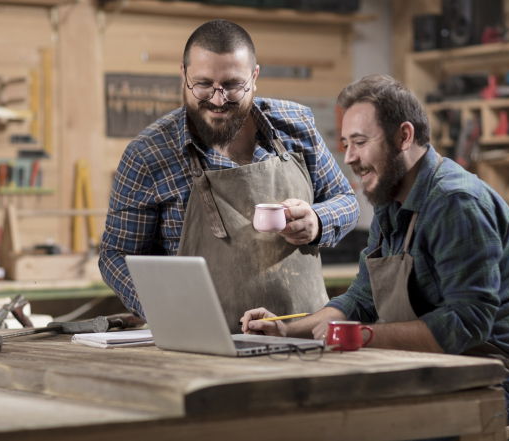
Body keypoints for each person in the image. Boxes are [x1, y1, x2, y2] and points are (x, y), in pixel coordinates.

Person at [241, 74, 509, 424]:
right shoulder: (391, 200)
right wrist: (288, 332)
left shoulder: (456, 203)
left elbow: (467, 322)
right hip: (429, 367)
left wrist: (363, 336)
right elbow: (361, 300)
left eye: (360, 142)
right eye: (345, 143)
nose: (348, 157)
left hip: (491, 378)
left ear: (404, 136)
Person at [99, 19, 359, 332]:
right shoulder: (148, 154)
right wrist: (162, 306)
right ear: (184, 76)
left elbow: (347, 201)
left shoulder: (296, 125)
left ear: (254, 76)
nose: (218, 100)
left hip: (302, 336)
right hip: (202, 342)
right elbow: (116, 255)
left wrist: (318, 221)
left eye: (233, 85)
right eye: (204, 84)